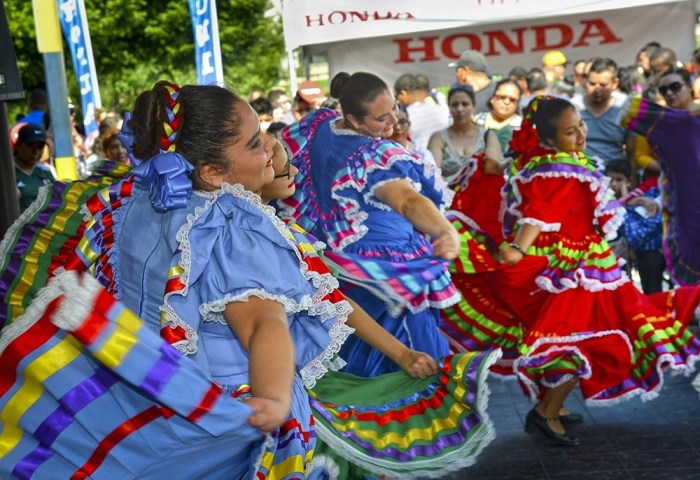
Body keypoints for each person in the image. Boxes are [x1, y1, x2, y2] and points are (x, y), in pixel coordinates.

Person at [0, 82, 499, 479]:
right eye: (257, 142)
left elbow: (314, 295)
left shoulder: (138, 202)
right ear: (215, 171)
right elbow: (263, 323)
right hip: (238, 403)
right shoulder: (233, 223)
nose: (272, 148)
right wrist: (274, 400)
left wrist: (396, 352)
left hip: (163, 397)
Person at [444, 96, 700, 446]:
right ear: (549, 139)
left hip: (584, 266)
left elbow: (562, 206)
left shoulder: (551, 162)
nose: (581, 134)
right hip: (572, 271)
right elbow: (540, 213)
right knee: (582, 338)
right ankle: (546, 411)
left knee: (579, 335)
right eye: (570, 131)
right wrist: (518, 247)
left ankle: (551, 405)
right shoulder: (559, 167)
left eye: (580, 125)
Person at [277, 71, 462, 378]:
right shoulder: (372, 154)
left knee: (360, 355)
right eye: (380, 119)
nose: (392, 122)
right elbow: (406, 201)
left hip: (345, 266)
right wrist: (445, 230)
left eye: (394, 110)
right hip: (387, 273)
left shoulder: (320, 126)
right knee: (411, 361)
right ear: (353, 119)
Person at [619, 69, 700, 286]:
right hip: (681, 196)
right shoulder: (664, 124)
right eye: (664, 90)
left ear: (690, 87)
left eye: (675, 87)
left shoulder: (689, 118)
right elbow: (640, 154)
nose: (670, 93)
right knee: (688, 240)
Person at [605, 159, 665, 294]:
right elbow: (613, 209)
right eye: (610, 180)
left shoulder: (642, 195)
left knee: (651, 289)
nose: (613, 184)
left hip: (644, 252)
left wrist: (629, 197)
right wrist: (628, 198)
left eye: (619, 180)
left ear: (629, 180)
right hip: (613, 256)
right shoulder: (603, 198)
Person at [427, 84, 502, 185]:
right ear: (448, 107)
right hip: (448, 196)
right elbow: (432, 174)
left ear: (473, 106)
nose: (460, 109)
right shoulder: (438, 138)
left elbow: (493, 167)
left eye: (465, 104)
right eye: (455, 105)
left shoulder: (488, 136)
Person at [570, 57, 634, 169]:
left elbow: (631, 152)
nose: (597, 89)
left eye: (603, 85)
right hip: (581, 175)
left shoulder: (625, 107)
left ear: (615, 83)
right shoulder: (573, 107)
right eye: (592, 83)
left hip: (615, 178)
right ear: (585, 82)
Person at [394, 73, 449, 149]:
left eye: (397, 96)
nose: (398, 100)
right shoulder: (442, 110)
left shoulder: (405, 117)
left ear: (403, 93)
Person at [13, 122, 55, 212]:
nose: (36, 151)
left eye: (40, 147)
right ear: (18, 145)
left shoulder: (45, 172)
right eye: (30, 145)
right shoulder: (7, 173)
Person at [475, 78, 523, 152]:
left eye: (512, 99)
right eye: (502, 97)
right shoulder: (475, 122)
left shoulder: (523, 128)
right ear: (492, 98)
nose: (506, 102)